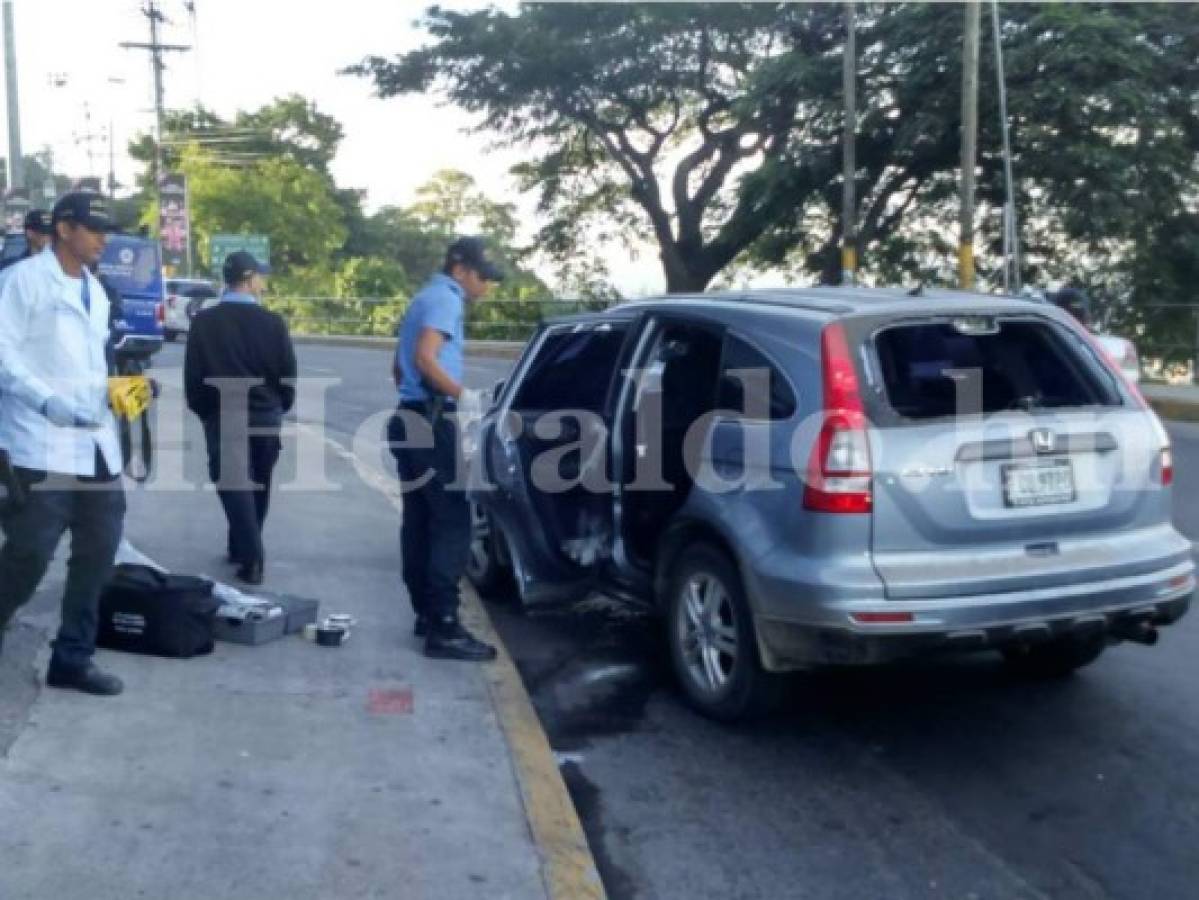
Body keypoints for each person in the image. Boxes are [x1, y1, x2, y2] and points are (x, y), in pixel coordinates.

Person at [0, 192, 125, 695]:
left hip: (95, 446)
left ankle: (72, 658)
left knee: (98, 552)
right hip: (40, 443)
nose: (104, 239)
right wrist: (46, 401)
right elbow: (3, 356)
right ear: (64, 229)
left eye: (105, 230)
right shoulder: (22, 281)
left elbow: (89, 366)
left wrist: (120, 392)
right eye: (95, 229)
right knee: (30, 554)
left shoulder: (97, 290)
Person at [389, 236, 501, 662]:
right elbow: (423, 357)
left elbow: (399, 367)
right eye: (483, 276)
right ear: (460, 270)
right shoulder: (445, 299)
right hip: (433, 422)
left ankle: (427, 614)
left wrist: (418, 401)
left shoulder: (423, 297)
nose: (486, 286)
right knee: (452, 523)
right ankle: (446, 628)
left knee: (419, 520)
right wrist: (461, 396)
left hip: (411, 416)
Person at [184, 251, 296, 586]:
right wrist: (278, 405)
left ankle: (249, 552)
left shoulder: (204, 323)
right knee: (258, 484)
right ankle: (247, 548)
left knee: (233, 486)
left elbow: (194, 377)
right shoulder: (273, 323)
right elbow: (287, 374)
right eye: (260, 276)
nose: (263, 282)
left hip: (223, 414)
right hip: (265, 413)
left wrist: (206, 413)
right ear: (249, 280)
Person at [0, 209, 54, 276]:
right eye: (46, 233)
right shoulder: (9, 267)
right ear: (30, 233)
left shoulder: (62, 266)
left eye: (54, 233)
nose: (51, 237)